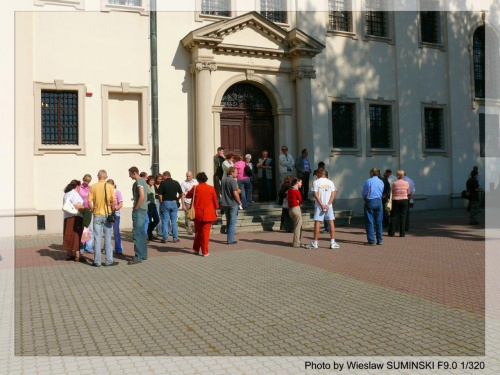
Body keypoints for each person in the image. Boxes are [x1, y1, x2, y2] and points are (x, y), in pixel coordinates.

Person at [88, 170, 118, 267]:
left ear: (98, 176)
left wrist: (93, 210)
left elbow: (89, 202)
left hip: (97, 214)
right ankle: (109, 260)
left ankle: (97, 261)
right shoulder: (110, 186)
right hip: (107, 214)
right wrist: (112, 211)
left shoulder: (93, 187)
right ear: (106, 177)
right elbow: (113, 201)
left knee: (97, 238)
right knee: (108, 238)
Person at [185, 172, 219, 257]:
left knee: (197, 232)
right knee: (205, 233)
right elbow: (215, 201)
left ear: (198, 179)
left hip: (198, 213)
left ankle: (196, 249)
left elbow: (188, 195)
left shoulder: (195, 187)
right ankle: (205, 251)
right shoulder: (211, 188)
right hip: (208, 213)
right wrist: (216, 210)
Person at [305, 168, 340, 249]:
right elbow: (333, 194)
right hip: (329, 206)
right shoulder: (330, 182)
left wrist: (321, 204)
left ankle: (315, 242)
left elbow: (315, 194)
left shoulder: (316, 182)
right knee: (331, 222)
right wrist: (328, 204)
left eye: (317, 174)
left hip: (319, 206)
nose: (316, 176)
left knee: (317, 223)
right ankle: (332, 242)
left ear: (319, 173)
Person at [62, 179, 86, 262]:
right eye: (79, 186)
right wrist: (86, 210)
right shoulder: (75, 194)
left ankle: (69, 254)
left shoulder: (67, 193)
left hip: (67, 217)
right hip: (75, 217)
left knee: (68, 235)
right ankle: (77, 255)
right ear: (77, 186)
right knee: (76, 236)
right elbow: (78, 206)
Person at [128, 166, 148, 265]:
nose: (129, 176)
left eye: (130, 174)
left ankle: (138, 256)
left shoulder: (139, 182)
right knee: (142, 232)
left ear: (134, 173)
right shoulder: (143, 181)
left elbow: (142, 196)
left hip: (139, 210)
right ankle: (143, 254)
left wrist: (136, 207)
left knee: (137, 233)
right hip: (143, 209)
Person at [158, 171, 184, 244]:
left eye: (163, 176)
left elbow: (160, 195)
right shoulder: (176, 182)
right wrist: (177, 199)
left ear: (165, 175)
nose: (162, 177)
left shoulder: (163, 183)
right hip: (173, 203)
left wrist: (161, 202)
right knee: (174, 222)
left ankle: (165, 239)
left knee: (165, 222)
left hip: (165, 202)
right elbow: (181, 193)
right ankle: (175, 238)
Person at [362, 167, 384, 246]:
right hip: (378, 201)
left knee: (369, 221)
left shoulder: (368, 181)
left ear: (371, 173)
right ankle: (380, 239)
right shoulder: (381, 182)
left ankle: (371, 240)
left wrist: (365, 198)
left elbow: (365, 192)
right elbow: (382, 191)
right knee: (379, 221)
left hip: (370, 201)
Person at [221, 166, 243, 245]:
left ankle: (231, 237)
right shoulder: (233, 181)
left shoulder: (223, 180)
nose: (237, 174)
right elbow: (235, 193)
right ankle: (230, 240)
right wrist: (240, 202)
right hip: (233, 204)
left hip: (225, 203)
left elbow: (221, 192)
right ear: (231, 172)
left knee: (228, 220)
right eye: (236, 173)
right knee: (232, 222)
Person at [388, 170, 410, 237]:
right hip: (404, 199)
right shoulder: (406, 183)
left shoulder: (394, 183)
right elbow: (407, 192)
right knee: (403, 216)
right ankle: (402, 233)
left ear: (397, 175)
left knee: (394, 216)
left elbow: (393, 191)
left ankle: (392, 232)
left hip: (396, 200)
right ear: (403, 175)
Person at [78, 173, 94, 254]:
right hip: (81, 210)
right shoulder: (79, 188)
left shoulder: (90, 188)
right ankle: (80, 246)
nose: (86, 182)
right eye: (85, 180)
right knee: (81, 229)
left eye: (88, 181)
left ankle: (88, 246)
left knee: (89, 229)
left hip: (88, 210)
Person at [107, 179, 123, 254]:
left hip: (115, 213)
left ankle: (118, 248)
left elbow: (120, 204)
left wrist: (114, 209)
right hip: (108, 213)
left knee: (116, 232)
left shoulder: (117, 192)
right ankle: (107, 248)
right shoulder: (106, 193)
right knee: (107, 231)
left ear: (113, 185)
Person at [181, 171, 199, 235]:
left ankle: (196, 228)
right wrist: (183, 205)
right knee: (188, 215)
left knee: (196, 215)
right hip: (187, 201)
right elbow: (182, 194)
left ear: (192, 176)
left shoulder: (196, 182)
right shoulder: (184, 183)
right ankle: (189, 229)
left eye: (189, 176)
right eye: (187, 176)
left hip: (195, 201)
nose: (188, 177)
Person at [287, 178, 303, 248]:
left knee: (297, 225)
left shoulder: (289, 190)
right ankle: (296, 243)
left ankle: (297, 241)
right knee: (298, 227)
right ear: (297, 182)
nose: (301, 184)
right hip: (296, 209)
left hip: (291, 210)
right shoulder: (296, 191)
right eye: (300, 182)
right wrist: (299, 202)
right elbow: (301, 200)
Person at [146, 176, 160, 242]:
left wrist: (155, 203)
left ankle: (149, 231)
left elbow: (154, 195)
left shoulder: (153, 186)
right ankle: (149, 235)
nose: (152, 182)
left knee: (157, 219)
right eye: (151, 180)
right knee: (149, 220)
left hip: (153, 204)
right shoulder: (146, 186)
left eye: (153, 181)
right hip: (148, 205)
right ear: (148, 181)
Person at [140, 172, 150, 236]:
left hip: (144, 205)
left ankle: (144, 234)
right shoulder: (141, 184)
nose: (147, 178)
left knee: (146, 220)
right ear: (143, 177)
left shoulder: (143, 184)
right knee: (145, 220)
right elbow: (142, 196)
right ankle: (144, 234)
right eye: (146, 177)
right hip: (142, 205)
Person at [154, 174, 163, 238]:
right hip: (156, 200)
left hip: (162, 200)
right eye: (158, 179)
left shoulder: (162, 184)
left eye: (160, 179)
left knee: (162, 216)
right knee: (158, 216)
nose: (159, 180)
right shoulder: (153, 185)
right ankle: (159, 232)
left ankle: (162, 231)